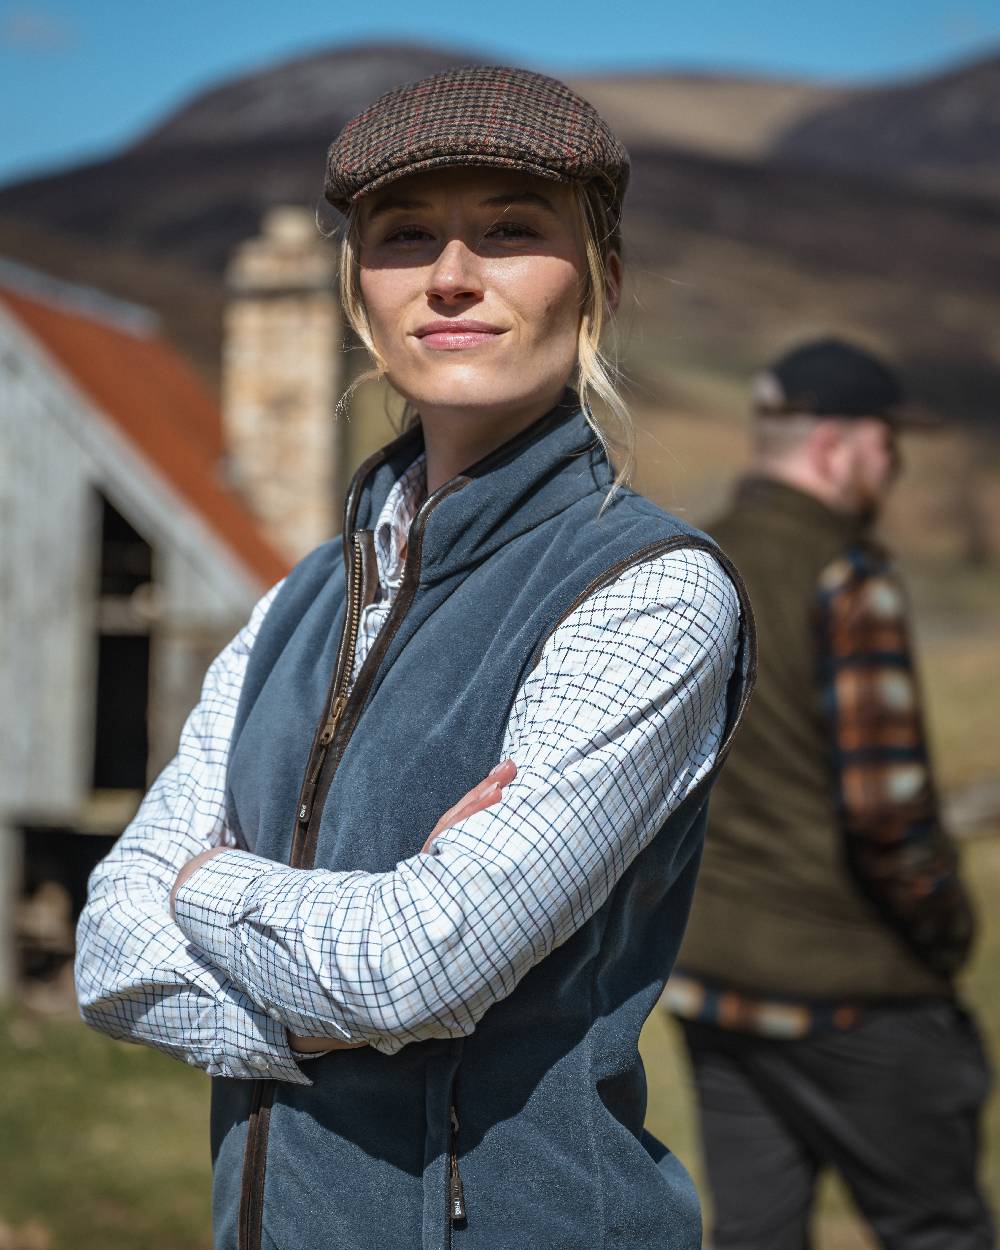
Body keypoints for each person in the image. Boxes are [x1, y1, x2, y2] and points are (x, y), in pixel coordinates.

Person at [75, 66, 754, 1250]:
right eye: (403, 236)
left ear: (599, 276)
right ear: (358, 292)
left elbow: (410, 966)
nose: (451, 276)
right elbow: (106, 951)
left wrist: (199, 882)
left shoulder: (648, 591)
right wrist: (335, 987)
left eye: (509, 229)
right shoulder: (301, 597)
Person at [666, 337, 993, 1250]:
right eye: (889, 444)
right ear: (837, 446)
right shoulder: (848, 577)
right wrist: (945, 936)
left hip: (714, 982)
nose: (894, 468)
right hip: (852, 993)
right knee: (936, 1230)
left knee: (756, 1234)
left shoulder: (692, 562)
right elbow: (887, 811)